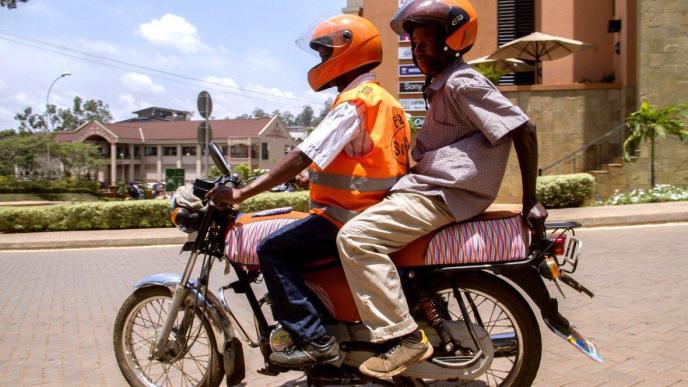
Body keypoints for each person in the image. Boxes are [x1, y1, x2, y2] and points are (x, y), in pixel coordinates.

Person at [336, 0, 549, 378]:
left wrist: (532, 201)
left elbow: (523, 128)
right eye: (414, 45)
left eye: (426, 43)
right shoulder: (441, 85)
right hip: (432, 187)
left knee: (356, 239)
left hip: (445, 193)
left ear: (452, 42)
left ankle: (404, 338)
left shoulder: (461, 81)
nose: (418, 51)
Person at [207, 15, 412, 368]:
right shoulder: (386, 102)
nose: (321, 63)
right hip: (374, 210)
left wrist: (243, 194)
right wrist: (312, 176)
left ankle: (315, 340)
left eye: (324, 53)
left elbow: (303, 154)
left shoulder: (355, 101)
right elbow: (362, 159)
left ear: (349, 51)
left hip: (347, 216)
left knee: (272, 249)